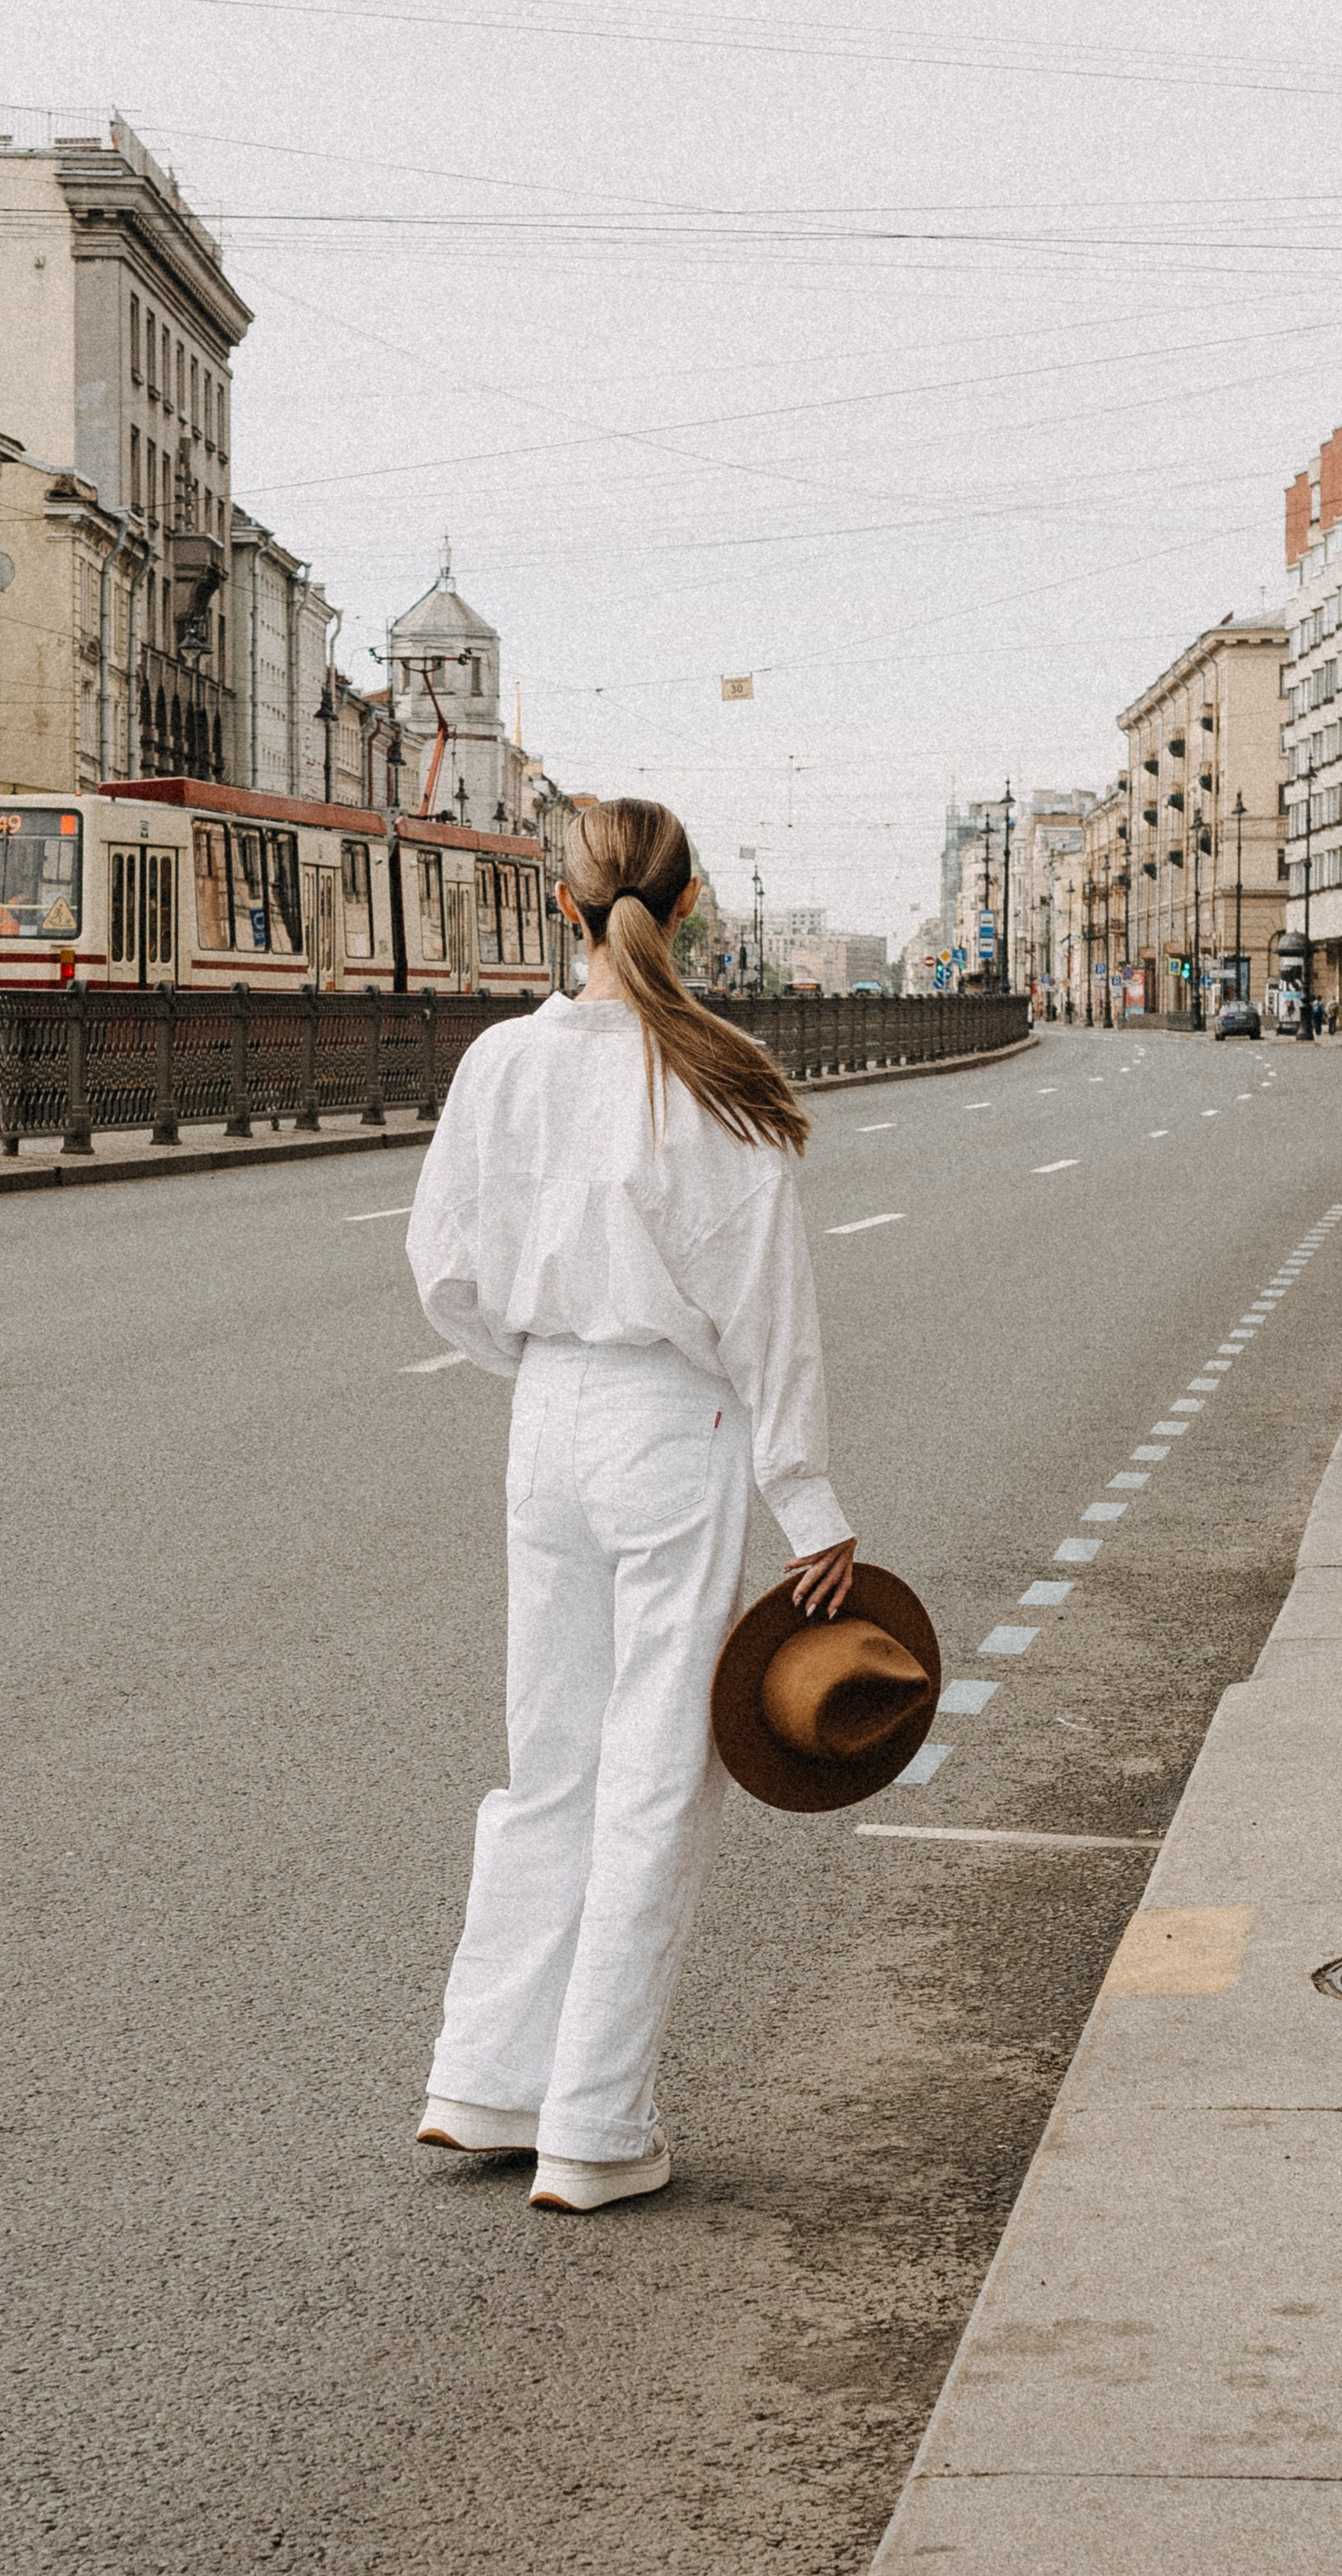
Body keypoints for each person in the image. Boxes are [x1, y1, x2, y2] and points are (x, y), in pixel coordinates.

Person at [405, 798, 856, 2215]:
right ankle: (597, 2126)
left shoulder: (499, 1063)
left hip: (547, 1418)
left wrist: (539, 1367)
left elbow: (445, 1271)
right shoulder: (720, 1081)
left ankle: (484, 2078)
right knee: (655, 1773)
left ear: (563, 911)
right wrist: (812, 1503)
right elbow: (764, 1318)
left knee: (548, 1759)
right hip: (675, 1425)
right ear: (697, 907)